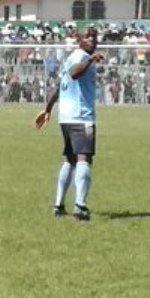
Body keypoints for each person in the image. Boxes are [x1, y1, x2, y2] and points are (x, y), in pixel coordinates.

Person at [33, 24, 103, 221]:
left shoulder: (72, 57)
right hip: (80, 116)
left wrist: (47, 109)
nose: (92, 39)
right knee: (84, 158)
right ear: (79, 39)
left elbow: (61, 86)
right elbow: (74, 73)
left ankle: (58, 205)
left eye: (94, 36)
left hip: (66, 117)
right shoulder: (80, 57)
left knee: (70, 159)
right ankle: (80, 206)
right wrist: (90, 59)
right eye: (88, 36)